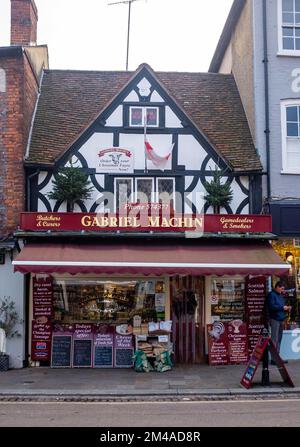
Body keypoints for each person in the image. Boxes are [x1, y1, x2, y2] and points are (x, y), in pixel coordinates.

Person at [267, 281, 292, 364]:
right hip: (274, 319)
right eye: (281, 288)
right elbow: (272, 307)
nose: (282, 290)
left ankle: (277, 357)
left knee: (279, 339)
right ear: (277, 287)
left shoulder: (280, 295)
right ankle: (274, 359)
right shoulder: (271, 295)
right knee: (274, 339)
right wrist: (282, 307)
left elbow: (281, 307)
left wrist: (287, 308)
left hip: (281, 319)